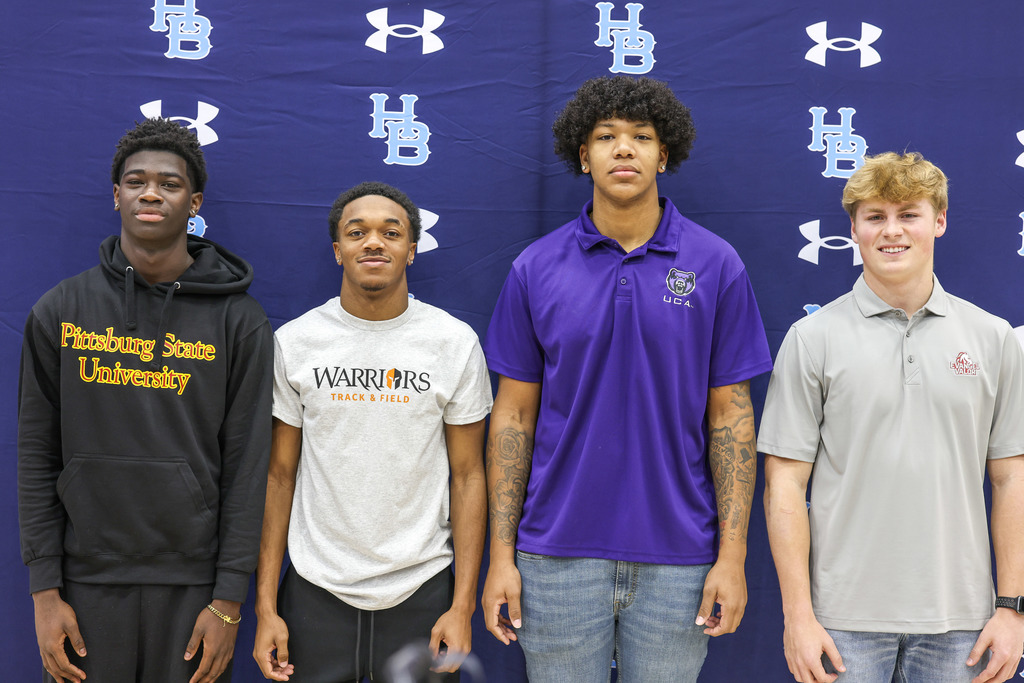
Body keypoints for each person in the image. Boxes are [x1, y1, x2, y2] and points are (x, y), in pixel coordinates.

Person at [480, 75, 773, 682]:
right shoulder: (535, 268)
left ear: (664, 154)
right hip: (554, 555)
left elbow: (732, 418)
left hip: (680, 558)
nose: (623, 149)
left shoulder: (716, 264)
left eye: (641, 136)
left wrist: (734, 554)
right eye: (606, 136)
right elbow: (513, 418)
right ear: (582, 155)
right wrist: (501, 556)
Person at [18, 117, 273, 683]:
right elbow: (36, 456)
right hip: (85, 584)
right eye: (136, 182)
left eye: (169, 183)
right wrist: (44, 591)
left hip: (194, 590)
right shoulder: (60, 311)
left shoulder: (240, 321)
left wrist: (229, 598)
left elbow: (249, 467)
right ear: (116, 196)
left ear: (194, 201)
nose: (151, 193)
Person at [760, 152, 1024, 683]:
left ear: (940, 221)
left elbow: (1011, 477)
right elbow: (784, 485)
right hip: (839, 622)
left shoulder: (994, 338)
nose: (892, 231)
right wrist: (797, 616)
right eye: (875, 216)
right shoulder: (811, 339)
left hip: (963, 622)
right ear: (854, 229)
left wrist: (1012, 606)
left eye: (909, 213)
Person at [253, 181, 491, 682]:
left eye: (391, 232)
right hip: (315, 592)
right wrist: (266, 607)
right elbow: (279, 475)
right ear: (338, 252)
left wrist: (462, 605)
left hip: (422, 590)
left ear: (411, 248)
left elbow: (469, 476)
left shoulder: (452, 343)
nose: (374, 242)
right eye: (357, 232)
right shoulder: (295, 343)